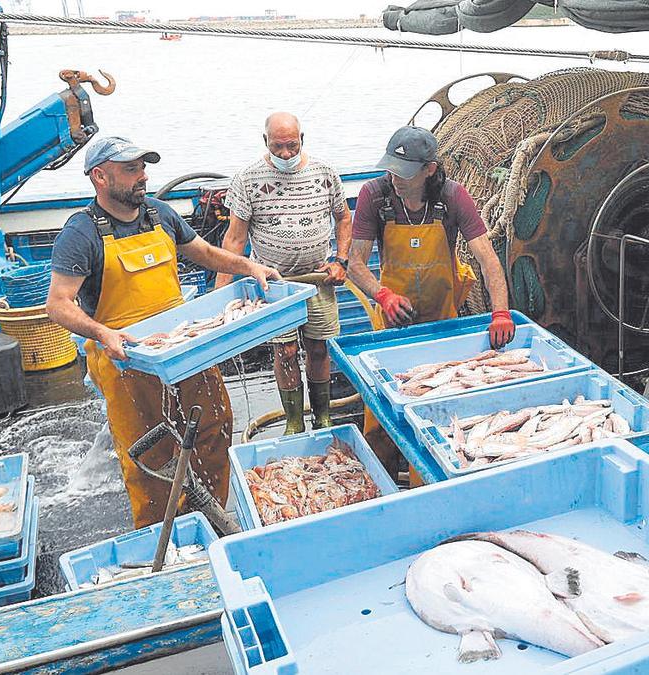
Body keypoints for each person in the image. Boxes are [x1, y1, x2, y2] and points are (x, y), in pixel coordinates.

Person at [46, 136, 280, 528]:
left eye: (143, 167)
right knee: (150, 456)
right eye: (131, 169)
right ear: (100, 177)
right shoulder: (81, 234)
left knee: (214, 429)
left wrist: (248, 266)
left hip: (184, 349)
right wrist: (103, 334)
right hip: (128, 362)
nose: (143, 176)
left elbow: (203, 252)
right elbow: (58, 303)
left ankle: (210, 523)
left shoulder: (159, 213)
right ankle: (162, 539)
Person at [347, 126, 514, 477]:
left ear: (430, 170)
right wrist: (383, 295)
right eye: (391, 168)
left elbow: (487, 259)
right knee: (378, 423)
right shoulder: (373, 196)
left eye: (404, 172)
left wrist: (500, 312)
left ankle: (427, 486)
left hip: (442, 322)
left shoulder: (453, 198)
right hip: (392, 322)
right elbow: (356, 263)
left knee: (434, 415)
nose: (395, 179)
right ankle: (381, 486)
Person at [218, 112, 353, 435]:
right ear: (265, 142)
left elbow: (344, 219)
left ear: (302, 139)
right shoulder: (247, 179)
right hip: (274, 285)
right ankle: (294, 421)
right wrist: (219, 296)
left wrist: (341, 261)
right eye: (278, 147)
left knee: (319, 347)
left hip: (318, 280)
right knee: (286, 350)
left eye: (292, 146)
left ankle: (322, 415)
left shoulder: (325, 173)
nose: (286, 154)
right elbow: (234, 239)